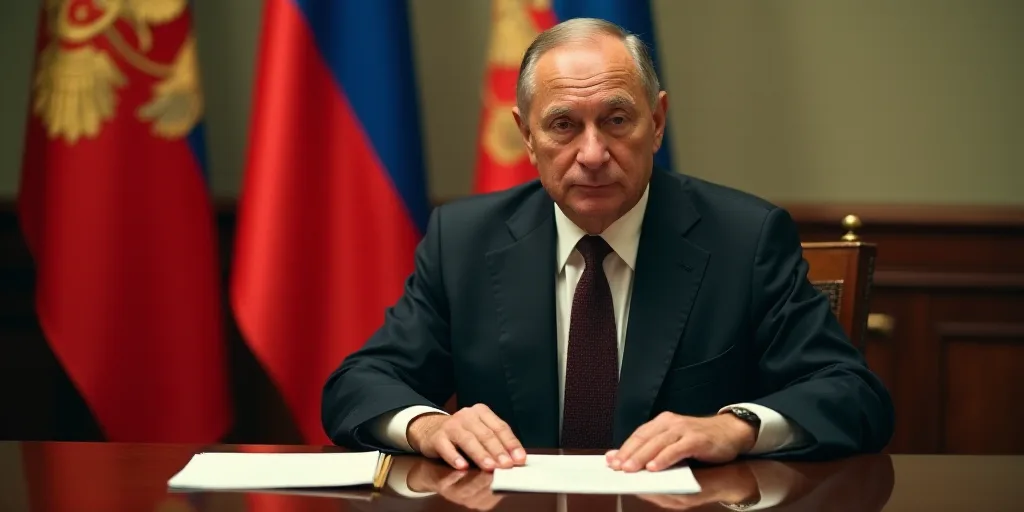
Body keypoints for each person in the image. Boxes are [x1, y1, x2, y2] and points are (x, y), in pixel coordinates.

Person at [321, 17, 894, 473]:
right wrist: (429, 426)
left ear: (658, 120)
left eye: (617, 120)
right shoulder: (464, 241)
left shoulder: (744, 238)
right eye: (564, 125)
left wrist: (736, 426)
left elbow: (853, 395)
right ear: (525, 134)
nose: (593, 154)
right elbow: (357, 386)